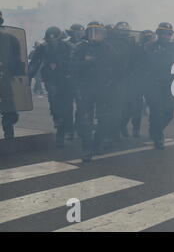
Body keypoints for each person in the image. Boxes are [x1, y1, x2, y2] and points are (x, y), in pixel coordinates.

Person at [71, 21, 119, 162]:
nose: (96, 35)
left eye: (98, 32)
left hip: (103, 88)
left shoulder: (108, 48)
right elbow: (72, 67)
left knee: (104, 118)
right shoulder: (80, 48)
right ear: (87, 33)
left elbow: (116, 67)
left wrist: (112, 84)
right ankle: (86, 148)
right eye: (93, 32)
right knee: (84, 119)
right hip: (85, 88)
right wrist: (85, 62)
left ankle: (97, 144)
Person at [29, 27, 73, 147]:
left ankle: (67, 129)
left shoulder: (68, 46)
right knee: (56, 105)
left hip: (66, 79)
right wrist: (27, 78)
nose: (53, 41)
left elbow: (76, 63)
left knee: (66, 106)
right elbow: (34, 63)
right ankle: (61, 132)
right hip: (51, 79)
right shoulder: (42, 47)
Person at [142, 22, 174, 149]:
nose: (165, 36)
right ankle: (158, 136)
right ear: (158, 34)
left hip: (170, 84)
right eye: (163, 34)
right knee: (156, 111)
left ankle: (154, 129)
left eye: (168, 34)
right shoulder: (149, 46)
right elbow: (143, 64)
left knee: (169, 113)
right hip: (153, 84)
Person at [0, 11, 24, 140]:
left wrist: (19, 75)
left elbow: (17, 59)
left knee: (11, 112)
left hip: (4, 78)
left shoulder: (11, 39)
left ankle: (8, 132)